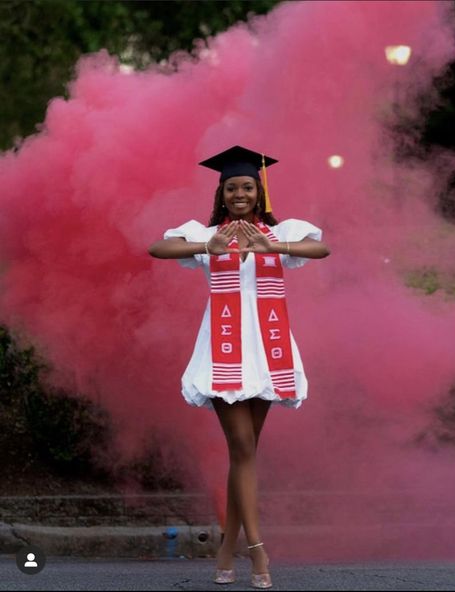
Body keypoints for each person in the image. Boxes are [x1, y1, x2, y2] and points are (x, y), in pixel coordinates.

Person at [148, 145, 330, 589]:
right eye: (232, 187)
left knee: (242, 456)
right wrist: (205, 246)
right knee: (243, 449)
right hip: (223, 353)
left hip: (268, 354)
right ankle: (258, 551)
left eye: (248, 186)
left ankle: (226, 551)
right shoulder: (207, 234)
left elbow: (319, 248)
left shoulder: (279, 231)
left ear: (259, 189)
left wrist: (275, 245)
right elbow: (157, 247)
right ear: (222, 193)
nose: (240, 193)